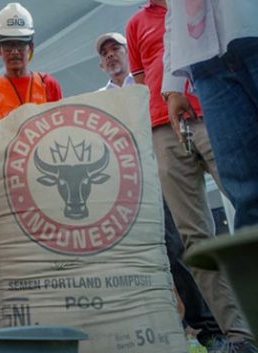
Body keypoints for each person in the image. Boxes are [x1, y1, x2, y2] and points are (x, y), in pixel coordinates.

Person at [126, 0, 256, 352]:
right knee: (193, 236)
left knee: (247, 204)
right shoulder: (135, 24)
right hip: (163, 130)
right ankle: (239, 334)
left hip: (214, 114)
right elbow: (142, 78)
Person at [95, 32, 225, 350]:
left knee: (180, 247)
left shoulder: (148, 86)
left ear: (130, 53)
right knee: (147, 255)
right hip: (129, 188)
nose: (110, 55)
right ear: (100, 64)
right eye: (105, 52)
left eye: (116, 49)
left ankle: (208, 326)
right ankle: (163, 328)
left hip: (162, 172)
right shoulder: (99, 99)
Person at [162, 0, 258, 230]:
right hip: (208, 66)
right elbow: (175, 11)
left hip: (252, 36)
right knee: (244, 188)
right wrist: (174, 88)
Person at [0, 2, 62, 152]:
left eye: (21, 44)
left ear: (31, 47)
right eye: (8, 45)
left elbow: (60, 131)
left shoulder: (48, 85)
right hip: (9, 165)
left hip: (46, 163)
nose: (15, 52)